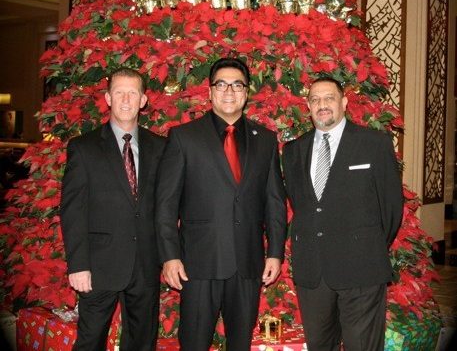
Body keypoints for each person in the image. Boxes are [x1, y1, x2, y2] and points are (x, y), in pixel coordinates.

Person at [155, 57, 287, 351]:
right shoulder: (184, 137)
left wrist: (275, 253)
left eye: (237, 84)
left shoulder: (265, 140)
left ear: (246, 92)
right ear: (210, 91)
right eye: (221, 84)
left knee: (240, 343)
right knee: (194, 343)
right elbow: (165, 204)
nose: (229, 91)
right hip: (198, 264)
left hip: (248, 263)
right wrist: (169, 256)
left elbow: (275, 202)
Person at [282, 77, 404, 351]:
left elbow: (392, 208)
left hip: (361, 269)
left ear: (344, 102)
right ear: (308, 107)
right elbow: (303, 207)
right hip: (313, 274)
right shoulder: (292, 152)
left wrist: (366, 245)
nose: (322, 105)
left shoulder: (374, 143)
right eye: (315, 100)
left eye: (329, 98)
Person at [60, 67, 166, 351]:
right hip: (98, 267)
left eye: (133, 93)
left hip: (145, 264)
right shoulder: (84, 148)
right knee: (90, 342)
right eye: (119, 92)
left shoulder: (160, 147)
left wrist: (169, 257)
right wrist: (78, 265)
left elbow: (167, 206)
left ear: (143, 100)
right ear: (108, 98)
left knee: (142, 343)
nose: (126, 100)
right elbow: (73, 210)